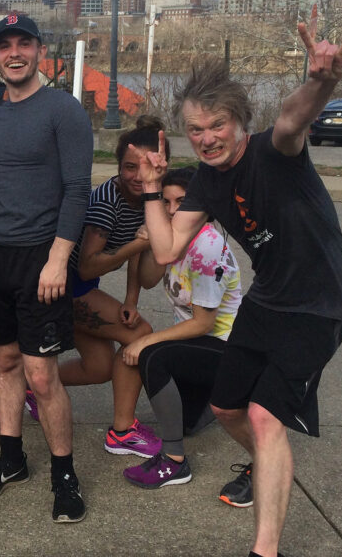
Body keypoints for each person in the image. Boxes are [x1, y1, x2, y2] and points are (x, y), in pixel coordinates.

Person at [134, 7, 342, 557]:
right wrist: (151, 188)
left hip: (319, 304)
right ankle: (267, 465)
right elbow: (164, 249)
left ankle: (265, 549)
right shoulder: (207, 182)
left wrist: (319, 83)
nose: (207, 139)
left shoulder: (272, 153)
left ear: (238, 122)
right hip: (270, 301)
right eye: (195, 129)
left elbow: (291, 120)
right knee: (230, 407)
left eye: (217, 126)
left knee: (264, 414)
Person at [0, 14, 92, 524]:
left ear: (39, 50)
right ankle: (12, 458)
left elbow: (78, 190)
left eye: (23, 44)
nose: (14, 53)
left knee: (43, 374)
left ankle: (65, 472)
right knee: (6, 364)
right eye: (4, 46)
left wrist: (59, 257)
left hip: (43, 255)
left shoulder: (64, 109)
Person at [28, 117, 167, 460]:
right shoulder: (108, 202)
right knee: (140, 335)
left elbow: (145, 271)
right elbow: (88, 263)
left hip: (82, 284)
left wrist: (131, 298)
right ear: (118, 167)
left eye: (146, 166)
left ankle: (30, 388)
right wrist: (137, 245)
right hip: (63, 285)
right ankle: (122, 431)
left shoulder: (151, 198)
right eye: (128, 167)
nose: (136, 175)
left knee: (101, 366)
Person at [121, 166, 243, 489]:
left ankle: (174, 462)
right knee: (185, 421)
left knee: (152, 356)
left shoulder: (206, 249)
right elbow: (147, 280)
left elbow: (203, 324)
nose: (173, 210)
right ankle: (220, 404)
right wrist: (147, 244)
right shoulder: (173, 242)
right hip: (198, 344)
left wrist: (147, 343)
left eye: (182, 202)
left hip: (226, 348)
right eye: (166, 202)